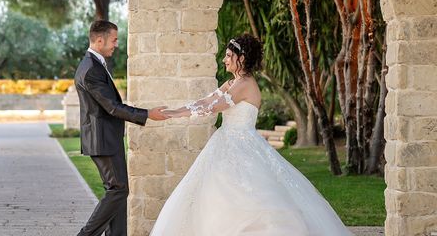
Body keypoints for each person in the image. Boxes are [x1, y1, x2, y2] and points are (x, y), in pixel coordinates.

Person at [151, 34, 353, 236]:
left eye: (229, 55)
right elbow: (205, 101)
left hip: (242, 146)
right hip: (225, 143)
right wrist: (172, 112)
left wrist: (173, 115)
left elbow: (213, 108)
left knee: (249, 198)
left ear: (242, 58)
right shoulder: (232, 83)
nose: (225, 59)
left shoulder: (245, 85)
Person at [75, 20, 169, 236]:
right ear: (100, 40)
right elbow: (112, 107)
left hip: (107, 139)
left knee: (118, 191)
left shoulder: (94, 64)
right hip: (102, 140)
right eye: (114, 40)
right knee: (117, 190)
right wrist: (147, 114)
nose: (116, 44)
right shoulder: (91, 69)